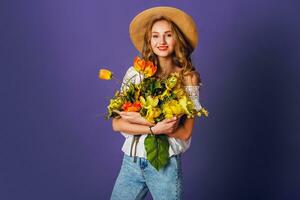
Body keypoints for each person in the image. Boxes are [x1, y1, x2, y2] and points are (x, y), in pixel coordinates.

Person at [110, 6, 203, 200]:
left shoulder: (188, 79)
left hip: (165, 166)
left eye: (168, 35)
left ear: (176, 39)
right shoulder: (136, 74)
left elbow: (186, 132)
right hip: (131, 163)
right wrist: (155, 128)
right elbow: (117, 123)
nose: (161, 41)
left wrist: (142, 121)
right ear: (149, 41)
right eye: (155, 36)